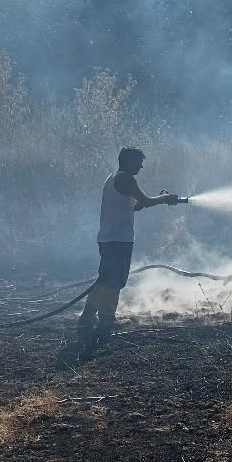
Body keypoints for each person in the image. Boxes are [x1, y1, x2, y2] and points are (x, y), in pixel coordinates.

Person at [78, 147, 178, 343]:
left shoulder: (112, 178)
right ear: (128, 161)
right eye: (138, 162)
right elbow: (147, 201)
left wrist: (160, 199)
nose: (141, 166)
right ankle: (106, 321)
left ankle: (87, 316)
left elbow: (136, 206)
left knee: (105, 279)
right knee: (115, 281)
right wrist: (164, 198)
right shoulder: (126, 178)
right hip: (119, 240)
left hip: (108, 238)